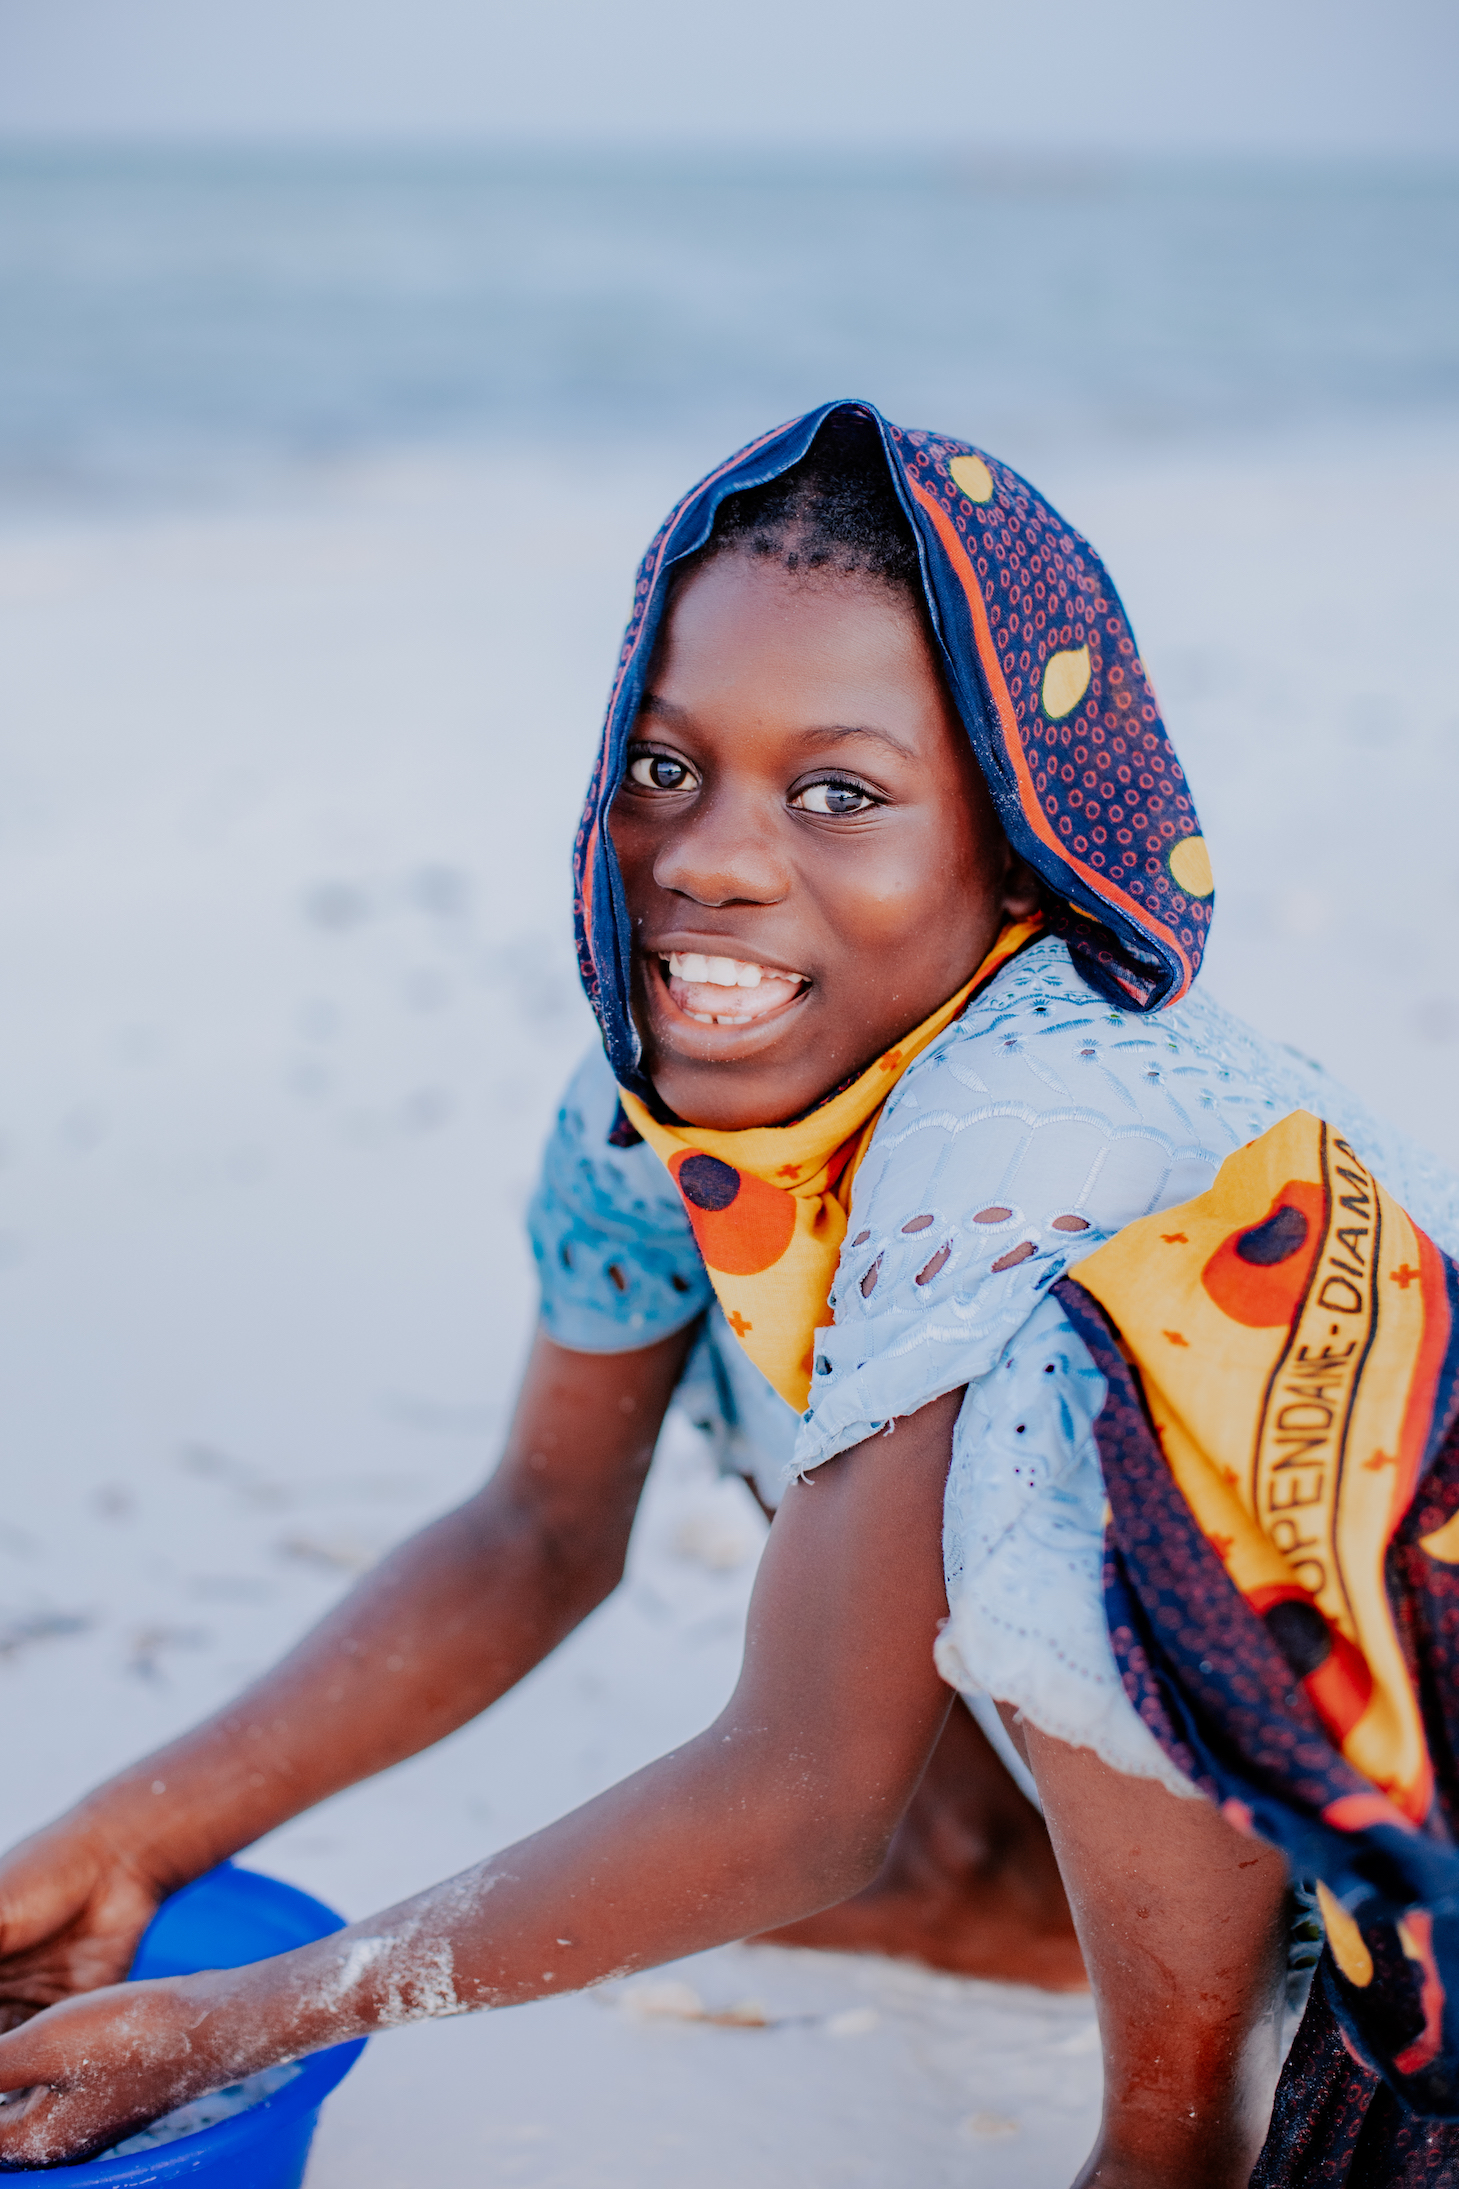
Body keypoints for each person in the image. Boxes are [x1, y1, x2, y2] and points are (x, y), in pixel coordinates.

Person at [0, 402, 1455, 2183]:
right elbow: (538, 1528)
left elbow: (805, 1791)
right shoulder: (669, 1095)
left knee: (1062, 1405)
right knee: (852, 1355)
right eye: (665, 766)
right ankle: (993, 1867)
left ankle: (1178, 2137)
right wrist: (128, 1842)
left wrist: (250, 2016)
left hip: (1402, 1796)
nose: (711, 858)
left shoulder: (1036, 1116)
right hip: (1215, 1718)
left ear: (1014, 851)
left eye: (839, 793)